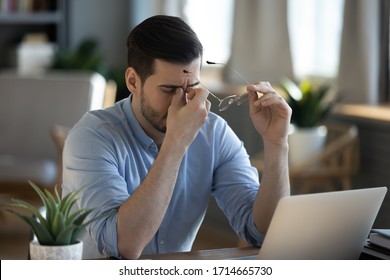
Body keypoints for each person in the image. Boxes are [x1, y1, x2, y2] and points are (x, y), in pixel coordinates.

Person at [62, 15, 291, 260]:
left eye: (191, 87)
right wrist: (176, 142)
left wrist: (276, 143)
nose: (181, 102)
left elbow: (262, 233)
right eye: (169, 89)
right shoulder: (91, 136)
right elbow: (124, 247)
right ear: (132, 81)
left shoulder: (214, 133)